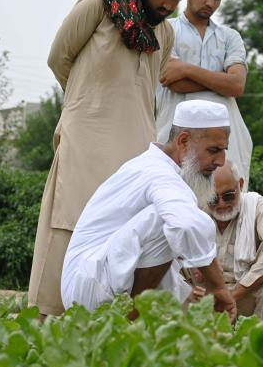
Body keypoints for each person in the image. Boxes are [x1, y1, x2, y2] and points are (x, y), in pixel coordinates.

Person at [28, 0, 192, 318]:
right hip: (86, 136)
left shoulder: (163, 32)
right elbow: (59, 57)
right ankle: (49, 312)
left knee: (124, 228)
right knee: (69, 221)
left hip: (134, 146)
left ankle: (113, 313)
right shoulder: (99, 6)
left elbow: (152, 82)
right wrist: (85, 102)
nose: (168, 6)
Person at [61, 100, 236, 320]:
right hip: (88, 288)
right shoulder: (158, 173)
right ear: (183, 141)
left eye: (224, 150)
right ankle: (127, 323)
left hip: (96, 282)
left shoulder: (157, 169)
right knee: (166, 219)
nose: (221, 161)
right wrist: (218, 287)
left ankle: (135, 320)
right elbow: (186, 224)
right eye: (214, 150)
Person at [155, 0, 252, 180]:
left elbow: (237, 85)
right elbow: (173, 81)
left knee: (226, 202)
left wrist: (186, 69)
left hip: (228, 138)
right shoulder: (165, 30)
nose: (211, 2)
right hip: (176, 134)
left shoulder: (230, 37)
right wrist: (221, 82)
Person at [191, 160, 263, 322]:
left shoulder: (256, 206)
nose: (221, 204)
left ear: (240, 185)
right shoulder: (197, 212)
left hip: (250, 297)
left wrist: (234, 294)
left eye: (228, 196)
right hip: (208, 297)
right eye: (213, 198)